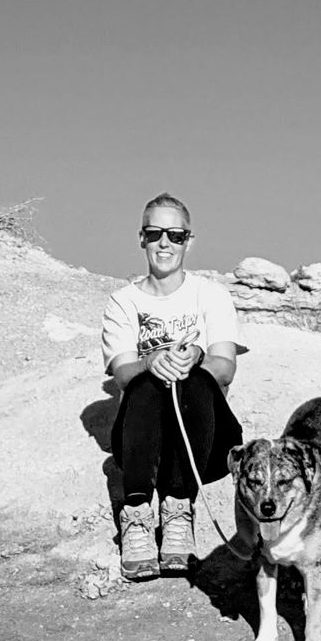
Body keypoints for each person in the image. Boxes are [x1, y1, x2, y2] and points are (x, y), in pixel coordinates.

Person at [99, 192, 243, 580]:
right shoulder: (123, 302)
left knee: (194, 378)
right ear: (141, 238)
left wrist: (195, 355)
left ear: (188, 241)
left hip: (204, 442)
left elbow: (225, 368)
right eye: (156, 234)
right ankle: (137, 515)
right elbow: (122, 374)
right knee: (146, 382)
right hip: (145, 439)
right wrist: (149, 362)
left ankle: (179, 508)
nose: (165, 244)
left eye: (175, 236)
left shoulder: (210, 295)